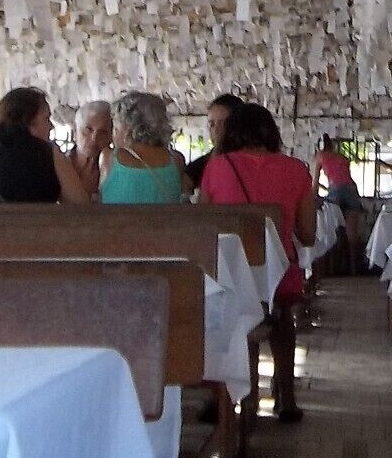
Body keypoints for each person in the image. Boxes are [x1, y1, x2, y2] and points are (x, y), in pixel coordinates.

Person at [198, 101, 317, 421]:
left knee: (236, 310)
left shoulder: (217, 168)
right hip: (279, 278)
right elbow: (307, 235)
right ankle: (286, 397)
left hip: (230, 275)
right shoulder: (296, 170)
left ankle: (240, 399)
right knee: (281, 317)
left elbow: (202, 225)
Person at [0, 87, 92, 204]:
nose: (51, 126)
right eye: (46, 118)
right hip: (33, 230)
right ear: (28, 120)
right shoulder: (50, 155)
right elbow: (80, 207)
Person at [100, 91, 186, 204]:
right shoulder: (176, 160)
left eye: (115, 127)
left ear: (125, 128)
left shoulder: (109, 158)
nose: (113, 134)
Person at [181, 91, 244, 191]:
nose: (216, 129)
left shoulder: (252, 164)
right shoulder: (198, 167)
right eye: (212, 124)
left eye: (224, 123)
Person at [70, 98, 113, 200]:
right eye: (88, 129)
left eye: (103, 132)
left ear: (112, 136)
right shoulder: (60, 164)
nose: (94, 138)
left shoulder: (117, 171)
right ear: (75, 132)